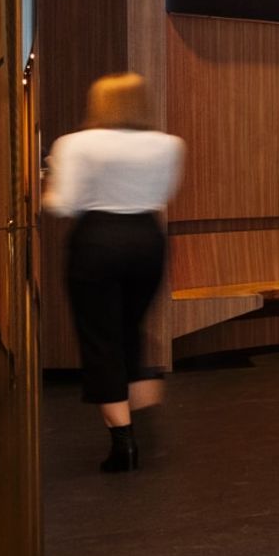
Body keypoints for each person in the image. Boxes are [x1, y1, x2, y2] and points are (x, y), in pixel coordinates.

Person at [42, 74, 184, 473]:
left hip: (97, 241)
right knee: (129, 328)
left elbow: (63, 204)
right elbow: (165, 193)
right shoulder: (168, 144)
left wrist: (46, 187)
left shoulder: (76, 144)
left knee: (100, 338)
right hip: (147, 240)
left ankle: (123, 443)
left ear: (99, 103)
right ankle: (140, 396)